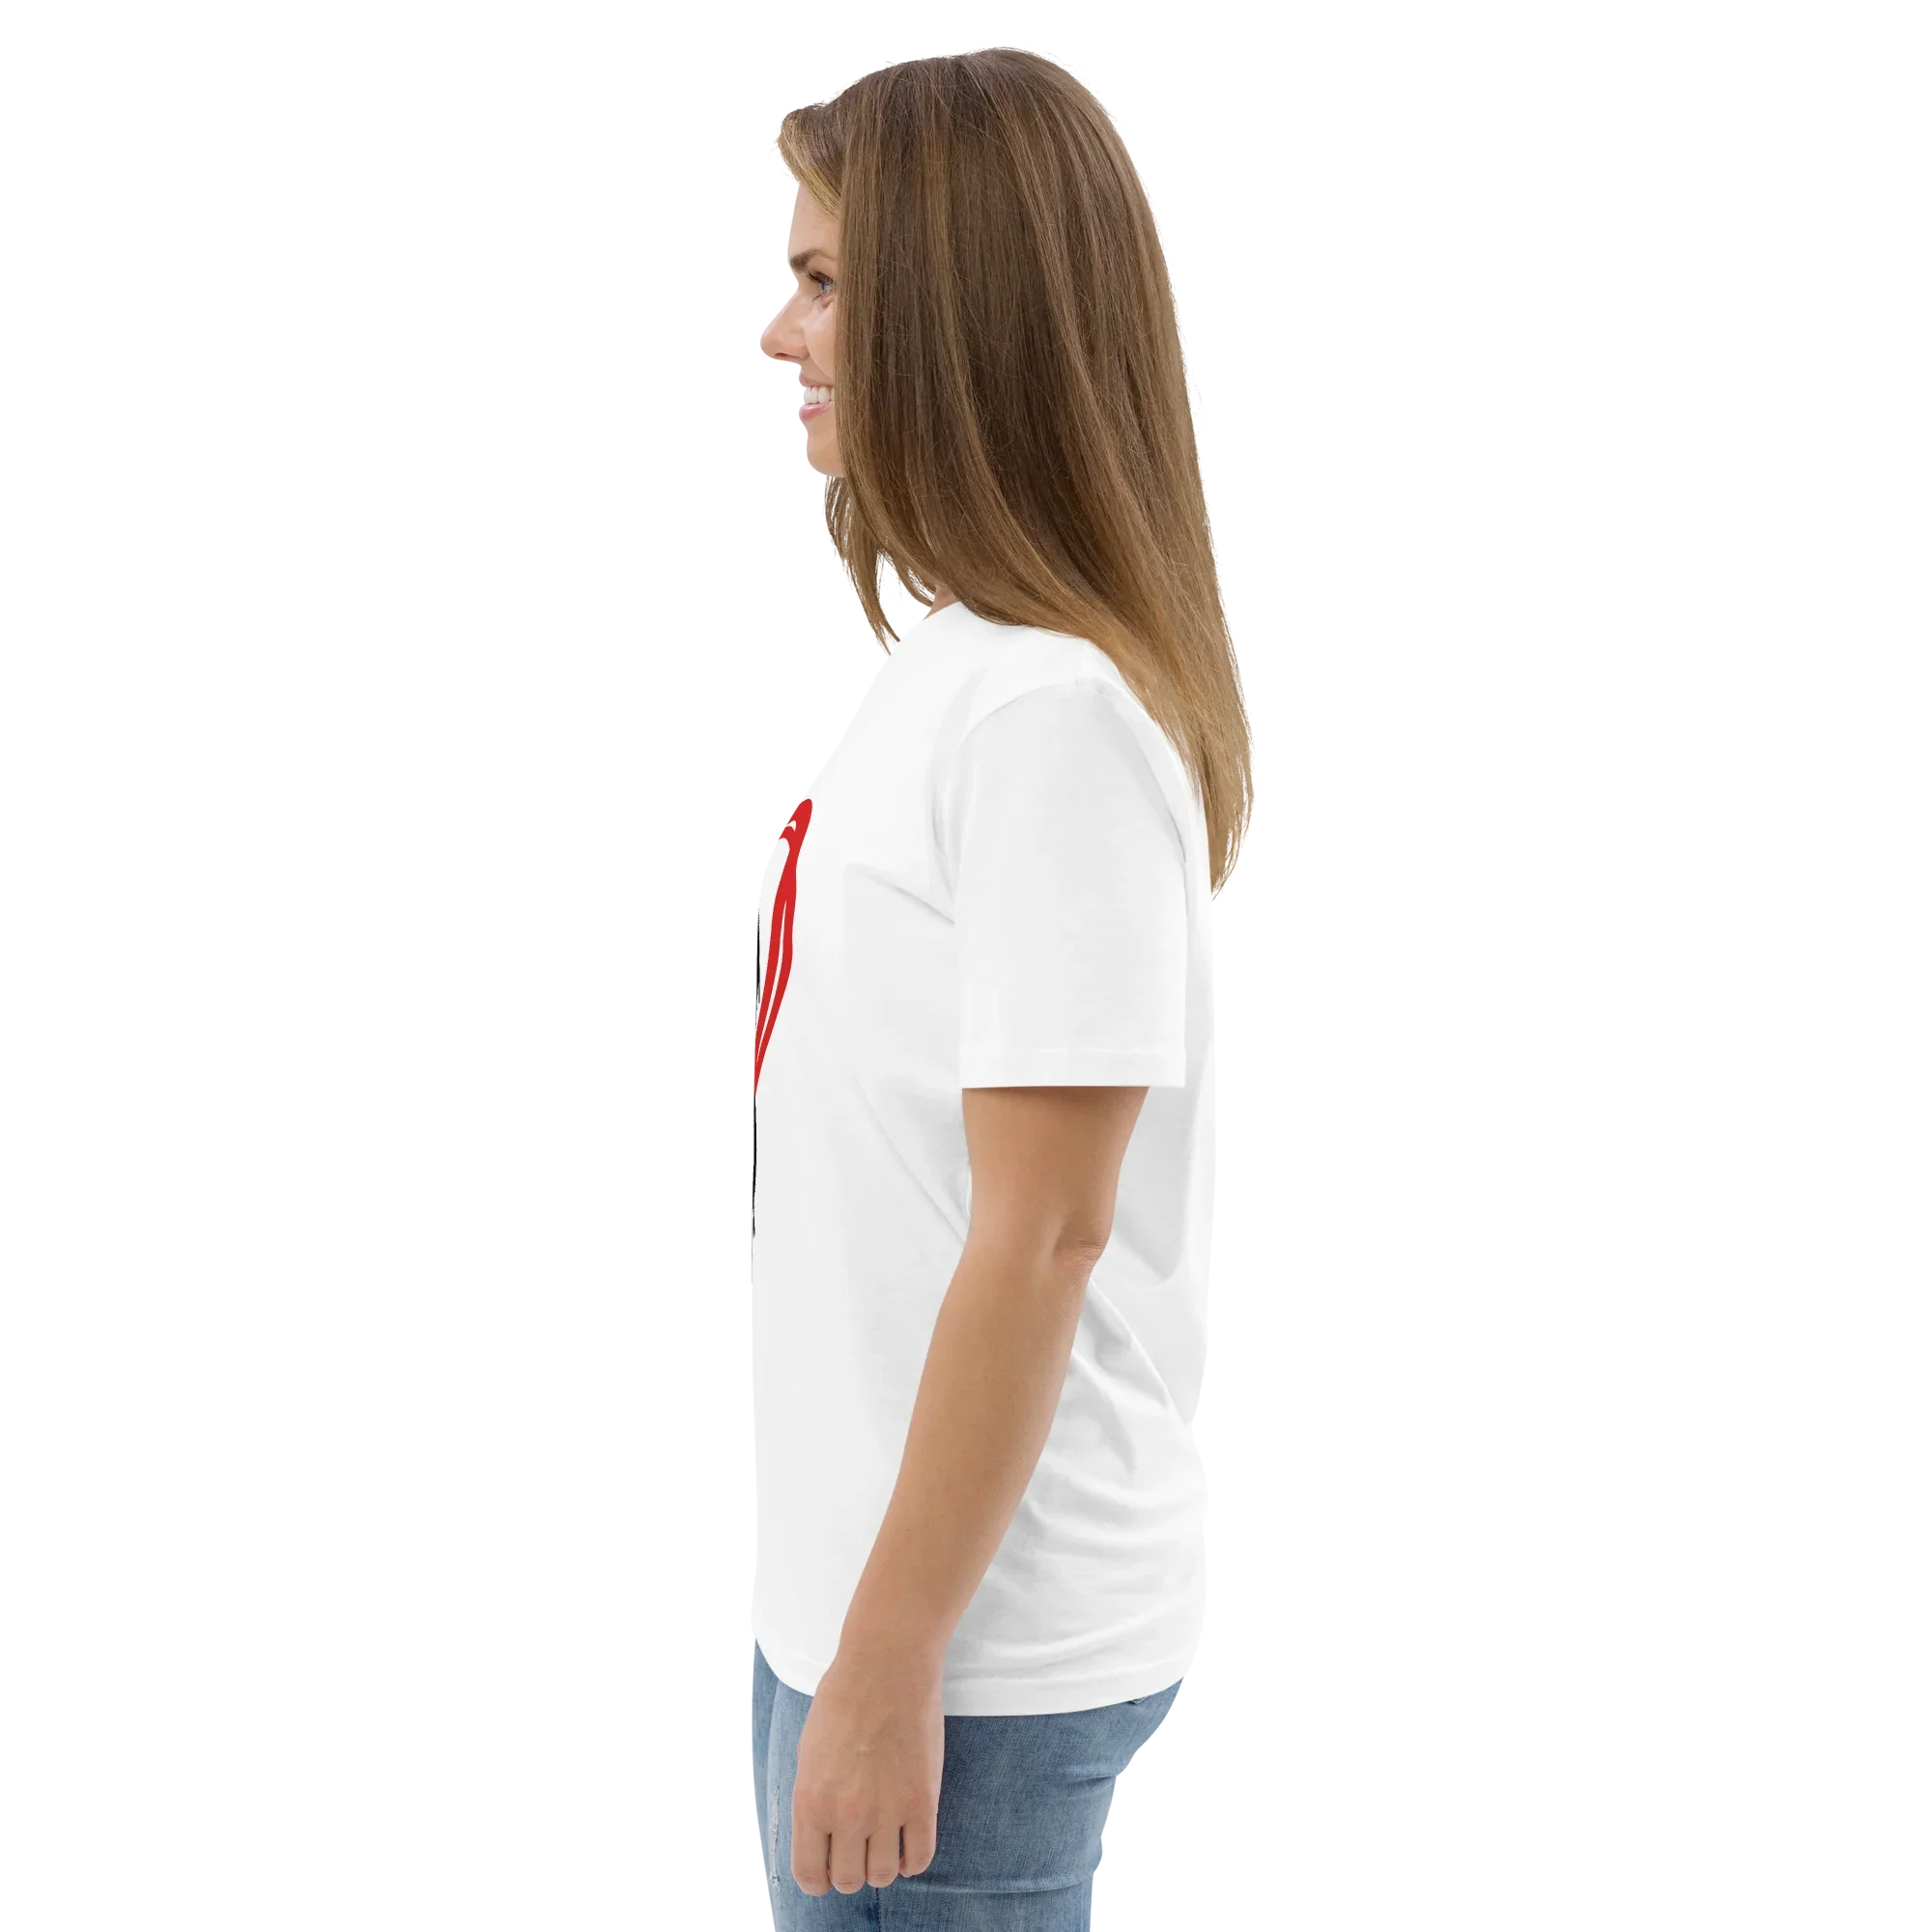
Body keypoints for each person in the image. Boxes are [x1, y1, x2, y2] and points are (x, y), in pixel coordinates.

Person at [751, 46, 1253, 1926]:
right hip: (868, 1612)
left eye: (823, 284)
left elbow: (1043, 1236)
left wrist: (890, 1665)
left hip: (962, 1656)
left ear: (949, 318)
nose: (781, 334)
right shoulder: (954, 666)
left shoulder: (1049, 715)